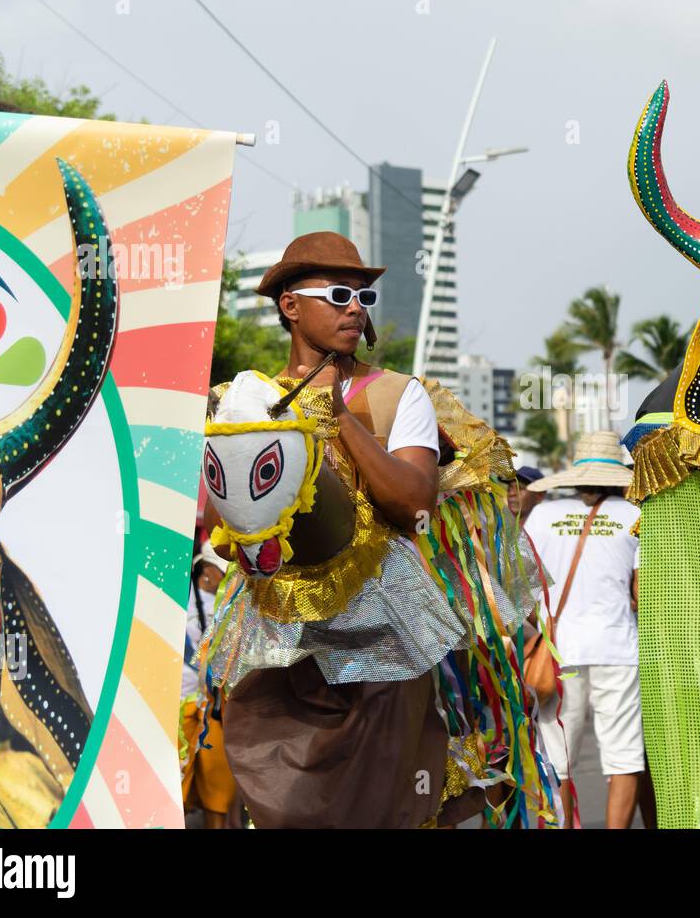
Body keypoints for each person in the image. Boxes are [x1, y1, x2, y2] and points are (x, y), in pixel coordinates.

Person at [202, 231, 553, 827]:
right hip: (280, 640)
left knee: (391, 803)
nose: (354, 307)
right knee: (281, 799)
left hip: (386, 642)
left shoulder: (396, 394)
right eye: (338, 293)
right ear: (290, 306)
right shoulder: (239, 402)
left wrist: (336, 415)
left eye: (362, 295)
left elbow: (412, 500)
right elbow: (220, 527)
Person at [526, 432, 644, 828]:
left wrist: (542, 625)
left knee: (558, 760)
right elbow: (642, 593)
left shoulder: (542, 516)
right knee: (624, 758)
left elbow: (520, 587)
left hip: (561, 655)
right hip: (619, 650)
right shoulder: (634, 517)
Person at [180, 543, 237, 829]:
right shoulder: (180, 598)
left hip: (211, 708)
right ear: (207, 570)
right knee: (176, 786)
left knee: (219, 787)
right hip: (178, 708)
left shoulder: (228, 602)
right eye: (223, 572)